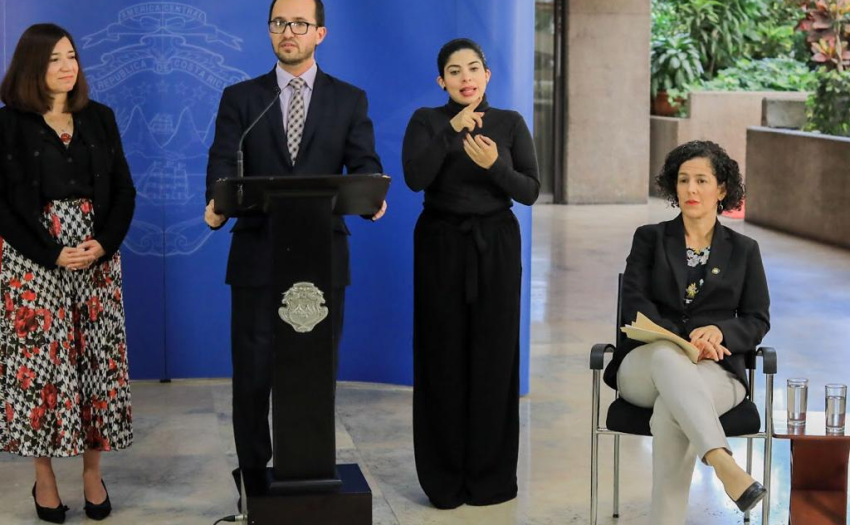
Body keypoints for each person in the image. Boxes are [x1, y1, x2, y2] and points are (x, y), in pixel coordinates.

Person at [204, 0, 385, 500]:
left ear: (320, 34)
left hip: (321, 260)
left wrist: (372, 197)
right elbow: (222, 164)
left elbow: (365, 164)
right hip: (257, 259)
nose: (289, 31)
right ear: (269, 31)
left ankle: (304, 470)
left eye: (299, 24)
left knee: (313, 371)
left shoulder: (348, 100)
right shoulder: (242, 98)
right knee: (253, 375)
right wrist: (215, 202)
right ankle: (255, 480)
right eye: (279, 23)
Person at [0, 23, 136, 523]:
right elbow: (2, 206)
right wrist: (52, 252)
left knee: (94, 367)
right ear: (32, 66)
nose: (66, 66)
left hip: (96, 259)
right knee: (43, 373)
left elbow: (125, 191)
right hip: (33, 263)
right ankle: (44, 477)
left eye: (72, 56)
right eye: (55, 58)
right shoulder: (8, 124)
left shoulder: (100, 118)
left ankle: (92, 472)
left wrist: (103, 243)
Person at [401, 38, 539, 509]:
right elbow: (415, 178)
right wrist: (450, 133)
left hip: (496, 244)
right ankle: (443, 479)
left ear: (487, 75)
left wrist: (495, 165)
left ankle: (490, 477)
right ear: (442, 81)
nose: (466, 78)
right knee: (442, 357)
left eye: (474, 68)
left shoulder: (511, 123)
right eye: (455, 71)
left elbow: (530, 191)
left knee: (494, 357)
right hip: (440, 244)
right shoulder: (426, 120)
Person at [604, 140, 770, 525]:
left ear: (722, 189)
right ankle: (724, 465)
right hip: (645, 366)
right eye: (683, 180)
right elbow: (634, 305)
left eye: (701, 180)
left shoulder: (745, 250)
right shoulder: (649, 238)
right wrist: (679, 341)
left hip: (716, 371)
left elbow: (756, 319)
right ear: (672, 187)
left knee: (670, 411)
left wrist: (720, 332)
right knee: (667, 356)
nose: (691, 190)